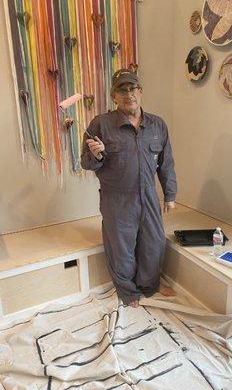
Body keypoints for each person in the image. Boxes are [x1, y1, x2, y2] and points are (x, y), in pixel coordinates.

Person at [81, 69, 177, 307]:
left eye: (132, 88)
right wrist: (96, 155)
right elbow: (86, 162)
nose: (128, 94)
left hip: (148, 195)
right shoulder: (101, 124)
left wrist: (170, 194)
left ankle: (149, 284)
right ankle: (127, 291)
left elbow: (166, 162)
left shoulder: (157, 125)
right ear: (114, 96)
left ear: (140, 92)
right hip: (117, 199)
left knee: (153, 243)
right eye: (122, 90)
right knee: (121, 247)